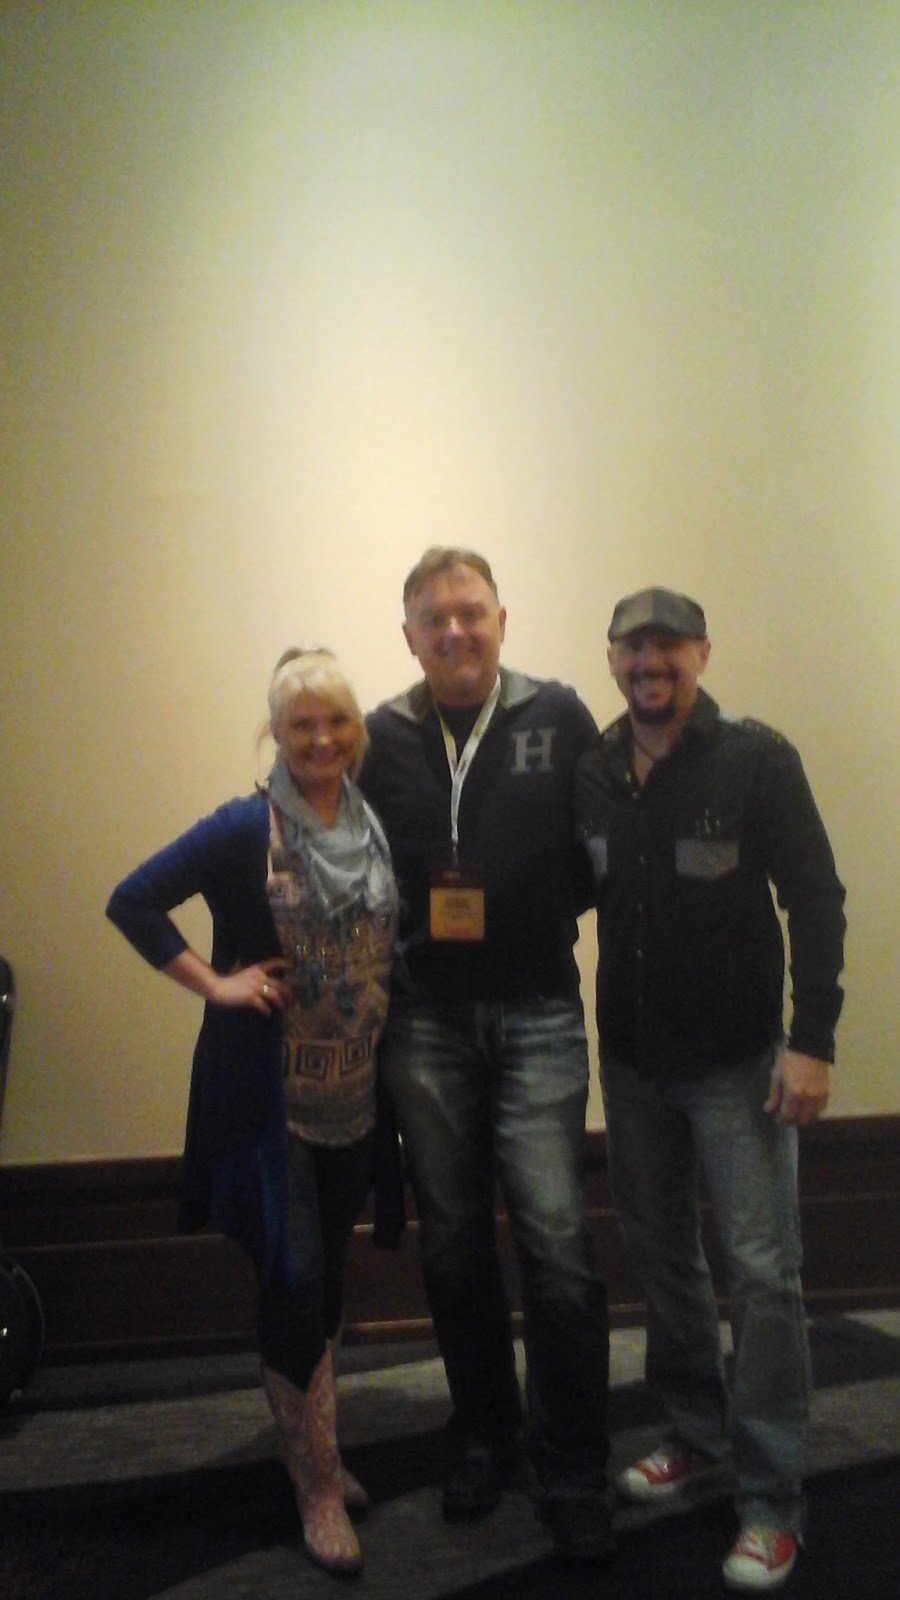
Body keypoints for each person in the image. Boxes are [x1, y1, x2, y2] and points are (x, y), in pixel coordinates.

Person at [574, 587, 846, 1594]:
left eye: (670, 647)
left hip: (739, 1065)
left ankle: (772, 1500)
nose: (651, 664)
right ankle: (694, 1432)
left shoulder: (756, 759)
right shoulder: (594, 771)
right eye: (633, 649)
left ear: (702, 653)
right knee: (663, 1257)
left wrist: (811, 1042)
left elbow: (816, 898)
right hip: (634, 1064)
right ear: (611, 658)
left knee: (765, 1277)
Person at [106, 648, 399, 1577]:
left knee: (329, 1279)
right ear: (276, 733)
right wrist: (218, 985)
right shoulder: (246, 827)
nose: (321, 739)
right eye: (301, 724)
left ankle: (319, 1449)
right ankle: (316, 1488)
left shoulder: (371, 821)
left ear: (356, 732)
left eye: (336, 722)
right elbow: (133, 900)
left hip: (356, 1090)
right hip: (270, 1098)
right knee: (292, 1274)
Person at [358, 546, 613, 1562]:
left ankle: (574, 1461)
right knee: (456, 1241)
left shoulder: (560, 715)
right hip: (426, 1019)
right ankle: (483, 1431)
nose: (456, 631)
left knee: (555, 1238)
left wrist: (528, 915)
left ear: (503, 619)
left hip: (539, 1009)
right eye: (435, 619)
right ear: (409, 635)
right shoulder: (379, 734)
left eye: (472, 612)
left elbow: (596, 858)